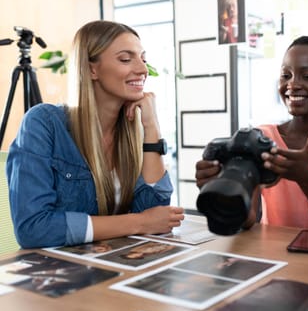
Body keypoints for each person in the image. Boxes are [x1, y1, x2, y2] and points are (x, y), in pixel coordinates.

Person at [6, 20, 184, 249]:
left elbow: (155, 215)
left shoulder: (133, 130)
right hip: (61, 275)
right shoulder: (45, 124)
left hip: (110, 268)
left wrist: (152, 127)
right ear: (91, 69)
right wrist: (138, 222)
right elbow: (33, 228)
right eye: (125, 59)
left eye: (143, 59)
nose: (142, 69)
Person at [196, 35, 308, 232]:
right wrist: (222, 189)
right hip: (273, 254)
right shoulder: (262, 138)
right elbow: (248, 220)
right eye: (286, 75)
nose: (293, 84)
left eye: (307, 76)